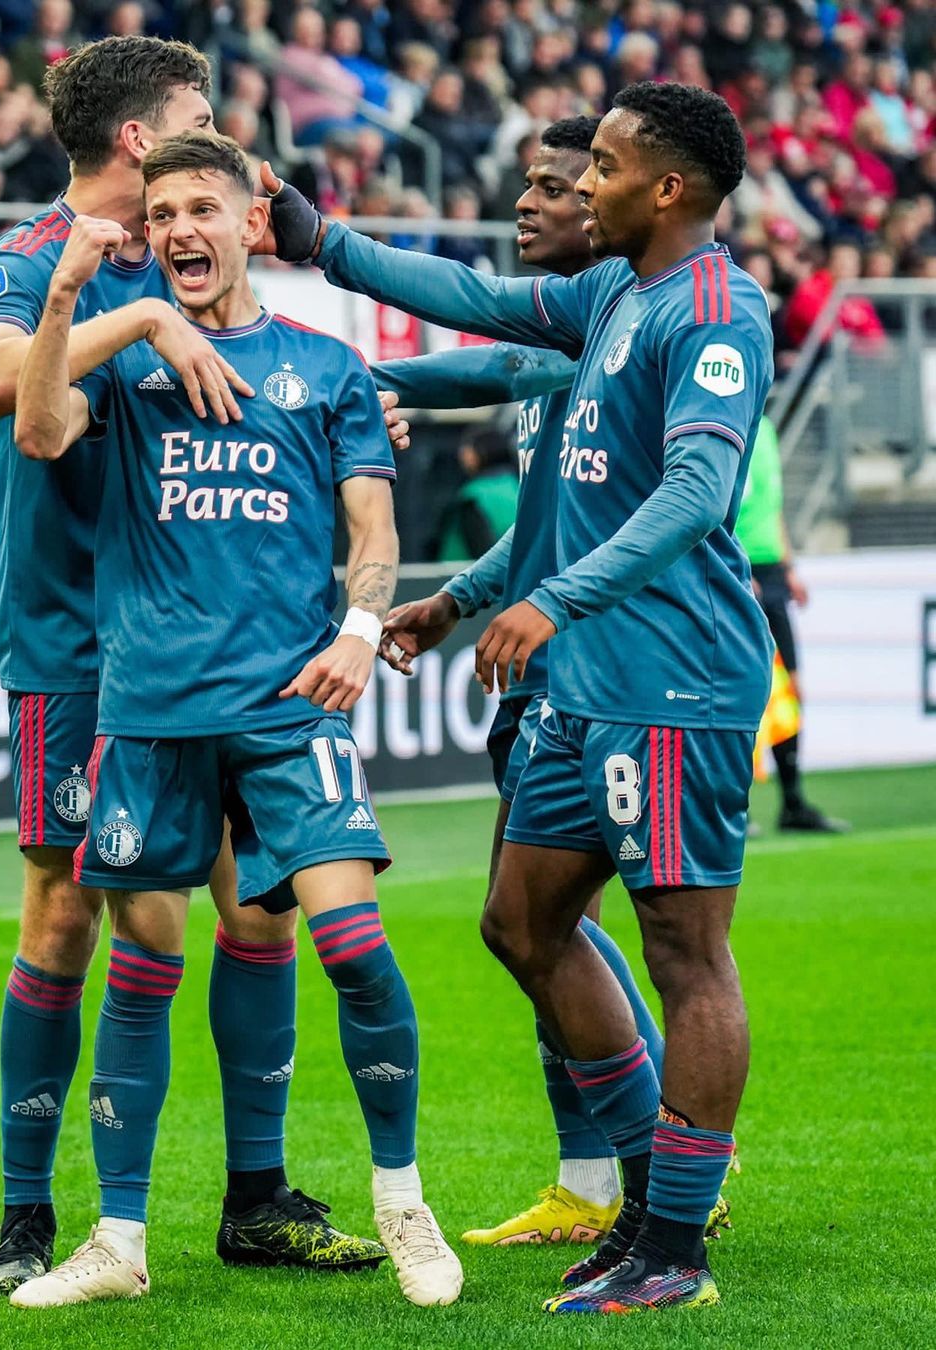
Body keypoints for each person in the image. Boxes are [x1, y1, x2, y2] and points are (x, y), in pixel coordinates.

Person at [257, 80, 774, 1314]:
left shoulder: (718, 311)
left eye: (603, 166)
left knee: (687, 953)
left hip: (672, 675)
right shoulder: (611, 296)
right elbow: (480, 306)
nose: (583, 183)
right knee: (522, 924)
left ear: (668, 187)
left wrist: (555, 597)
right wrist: (321, 240)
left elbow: (698, 492)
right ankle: (643, 1197)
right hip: (582, 686)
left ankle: (676, 1246)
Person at [7, 129, 463, 1311]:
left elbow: (373, 528)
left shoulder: (327, 367)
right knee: (142, 966)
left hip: (287, 710)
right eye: (161, 215)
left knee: (353, 945)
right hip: (151, 714)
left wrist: (360, 628)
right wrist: (67, 297)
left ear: (252, 224)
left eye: (202, 209)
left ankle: (403, 1202)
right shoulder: (126, 363)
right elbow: (38, 430)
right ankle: (118, 1241)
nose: (179, 232)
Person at [0, 35, 380, 1296]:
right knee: (66, 912)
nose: (220, 133)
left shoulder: (183, 245)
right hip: (77, 641)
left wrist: (357, 421)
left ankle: (258, 1196)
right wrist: (133, 316)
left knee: (258, 905)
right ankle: (28, 1213)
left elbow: (276, 378)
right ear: (141, 136)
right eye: (200, 112)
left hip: (210, 637)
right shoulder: (35, 258)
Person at [375, 116, 702, 1250]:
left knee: (562, 926)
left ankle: (657, 1175)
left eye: (562, 184)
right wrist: (460, 597)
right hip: (542, 661)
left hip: (594, 668)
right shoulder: (575, 334)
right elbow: (545, 524)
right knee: (537, 929)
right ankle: (600, 1179)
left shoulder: (613, 330)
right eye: (534, 182)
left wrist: (349, 374)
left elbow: (490, 363)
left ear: (614, 210)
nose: (533, 202)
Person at [735, 414, 848, 833]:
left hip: (772, 572)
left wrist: (788, 566)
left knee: (790, 689)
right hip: (738, 570)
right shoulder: (724, 418)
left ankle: (793, 803)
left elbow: (773, 505)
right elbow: (711, 504)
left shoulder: (764, 428)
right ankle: (734, 805)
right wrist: (734, 568)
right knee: (744, 690)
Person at [436, 426, 519, 562]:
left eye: (467, 447)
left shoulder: (473, 496)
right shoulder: (517, 486)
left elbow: (481, 550)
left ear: (480, 452)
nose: (462, 454)